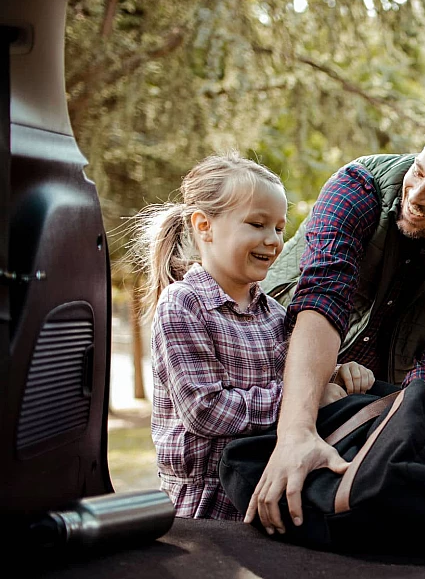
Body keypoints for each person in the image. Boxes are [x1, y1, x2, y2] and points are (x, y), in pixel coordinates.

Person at [244, 111, 425, 534]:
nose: (417, 194)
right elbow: (322, 303)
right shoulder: (355, 189)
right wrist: (296, 434)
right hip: (282, 387)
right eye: (418, 170)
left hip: (362, 408)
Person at [134, 151, 343, 520]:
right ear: (204, 226)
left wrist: (340, 374)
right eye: (257, 224)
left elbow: (303, 376)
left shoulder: (277, 315)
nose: (273, 241)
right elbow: (205, 410)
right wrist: (302, 403)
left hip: (260, 488)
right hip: (202, 506)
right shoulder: (183, 305)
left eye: (279, 228)